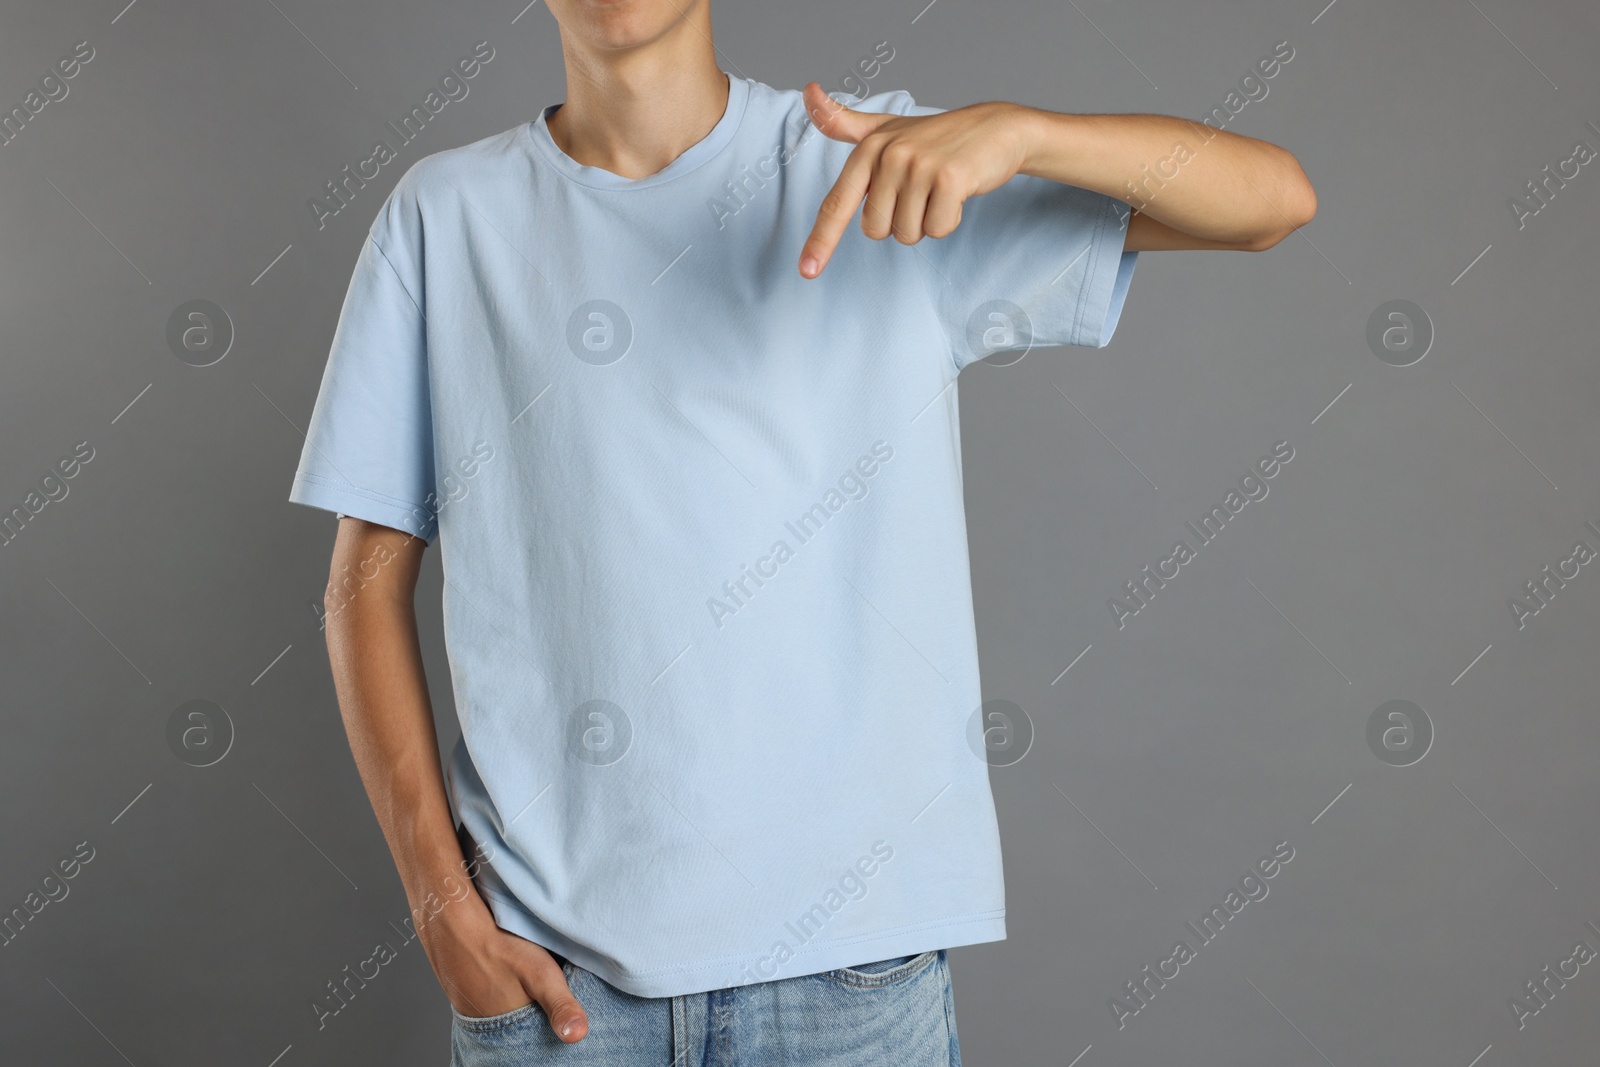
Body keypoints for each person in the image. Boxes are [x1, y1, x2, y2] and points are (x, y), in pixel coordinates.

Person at [288, 2, 1315, 1063]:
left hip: (851, 985)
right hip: (562, 991)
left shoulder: (878, 165)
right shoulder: (446, 216)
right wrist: (439, 906)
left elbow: (1269, 201)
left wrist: (1021, 129)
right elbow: (363, 581)